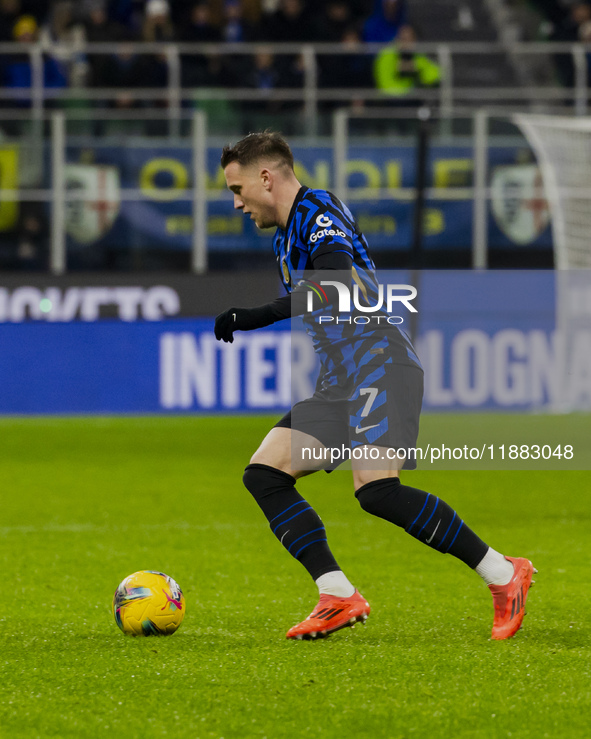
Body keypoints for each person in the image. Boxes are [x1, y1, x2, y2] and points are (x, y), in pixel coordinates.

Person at [214, 131, 536, 642]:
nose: (236, 203)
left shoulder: (316, 213)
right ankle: (337, 593)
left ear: (265, 177)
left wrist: (254, 316)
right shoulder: (285, 236)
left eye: (237, 188)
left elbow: (337, 282)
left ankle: (503, 573)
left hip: (381, 364)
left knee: (378, 491)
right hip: (341, 380)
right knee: (265, 472)